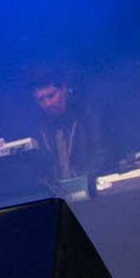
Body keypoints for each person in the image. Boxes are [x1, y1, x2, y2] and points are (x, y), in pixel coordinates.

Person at [26, 65, 112, 193]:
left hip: (96, 188)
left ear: (64, 90)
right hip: (60, 195)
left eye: (51, 96)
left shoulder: (88, 113)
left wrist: (84, 181)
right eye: (41, 100)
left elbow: (103, 151)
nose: (48, 104)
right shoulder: (39, 126)